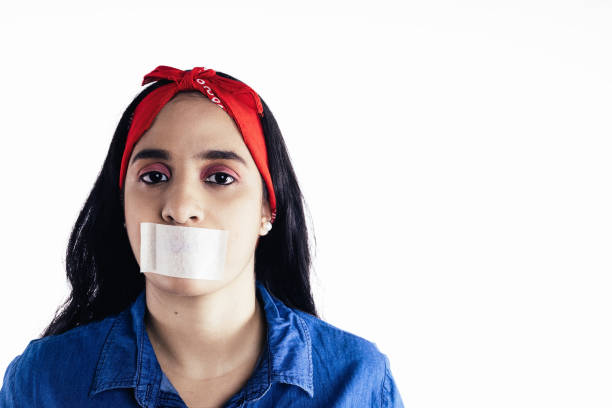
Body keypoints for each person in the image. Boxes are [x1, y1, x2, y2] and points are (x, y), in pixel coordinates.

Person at [0, 65, 404, 407]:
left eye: (220, 177)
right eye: (154, 176)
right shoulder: (42, 381)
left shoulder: (357, 379)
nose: (180, 206)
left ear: (267, 210)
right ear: (122, 208)